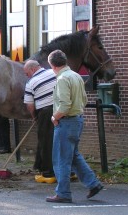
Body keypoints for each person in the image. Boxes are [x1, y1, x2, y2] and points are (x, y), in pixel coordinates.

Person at [46, 49, 104, 203]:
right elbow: (84, 100)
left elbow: (64, 105)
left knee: (61, 159)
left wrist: (54, 117)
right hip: (77, 120)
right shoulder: (76, 76)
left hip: (65, 122)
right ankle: (93, 184)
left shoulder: (62, 79)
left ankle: (63, 193)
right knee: (73, 156)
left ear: (52, 65)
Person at [23, 60, 57, 183]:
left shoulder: (31, 83)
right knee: (60, 140)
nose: (27, 76)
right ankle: (67, 171)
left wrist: (34, 116)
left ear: (32, 70)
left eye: (27, 73)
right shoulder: (53, 72)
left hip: (45, 112)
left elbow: (30, 104)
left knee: (46, 142)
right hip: (61, 109)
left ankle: (47, 172)